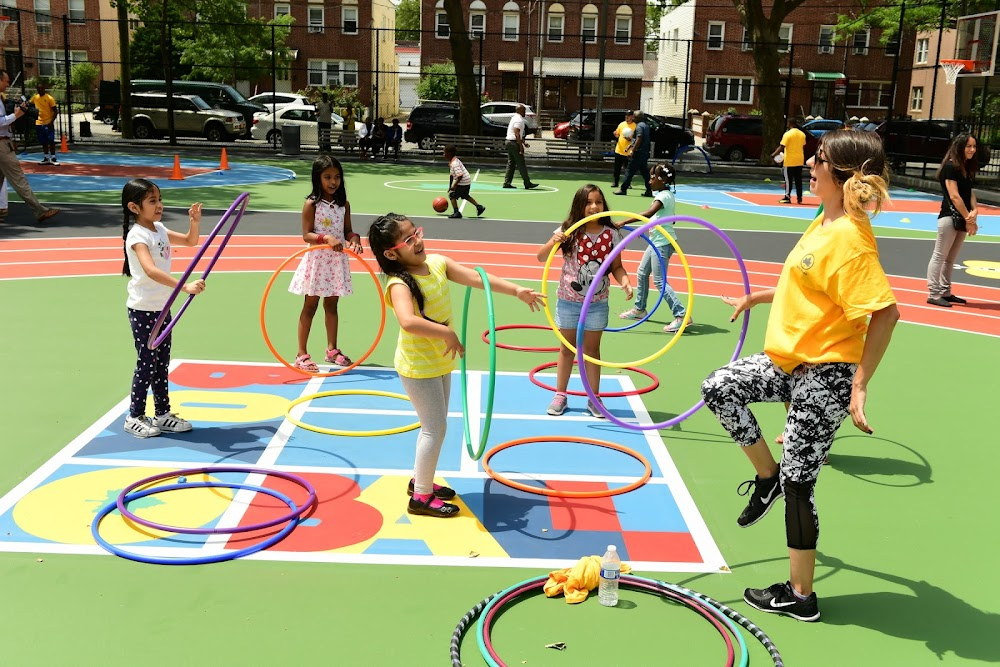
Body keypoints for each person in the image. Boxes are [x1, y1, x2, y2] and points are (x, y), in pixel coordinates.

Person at [700, 130, 899, 622]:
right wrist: (757, 298)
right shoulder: (825, 220)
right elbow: (806, 284)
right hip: (788, 362)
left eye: (821, 158)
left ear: (844, 175)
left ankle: (800, 594)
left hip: (826, 373)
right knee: (719, 387)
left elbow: (887, 313)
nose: (810, 162)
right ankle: (765, 476)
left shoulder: (852, 239)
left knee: (800, 483)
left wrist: (859, 383)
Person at [368, 213, 544, 517]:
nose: (419, 241)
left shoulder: (436, 262)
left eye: (417, 233)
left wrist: (516, 290)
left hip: (439, 361)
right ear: (391, 253)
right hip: (417, 366)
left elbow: (476, 278)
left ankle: (419, 482)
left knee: (436, 427)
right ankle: (420, 497)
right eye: (409, 240)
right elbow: (408, 321)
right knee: (434, 430)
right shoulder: (399, 283)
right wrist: (447, 332)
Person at [536, 184, 633, 418]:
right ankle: (560, 394)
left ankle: (594, 397)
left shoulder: (612, 234)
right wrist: (554, 241)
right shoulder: (568, 230)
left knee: (592, 350)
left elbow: (617, 266)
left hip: (597, 302)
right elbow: (541, 257)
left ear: (603, 205)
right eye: (588, 202)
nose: (593, 207)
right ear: (579, 205)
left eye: (598, 202)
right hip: (568, 300)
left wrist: (626, 281)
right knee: (567, 349)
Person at [120, 178, 205, 438]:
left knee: (161, 363)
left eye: (160, 199)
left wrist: (194, 221)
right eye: (152, 201)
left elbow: (191, 241)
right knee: (146, 362)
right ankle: (134, 415)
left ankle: (162, 413)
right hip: (144, 308)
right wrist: (184, 286)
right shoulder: (138, 235)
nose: (159, 205)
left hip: (162, 307)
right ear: (134, 207)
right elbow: (150, 270)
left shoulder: (159, 228)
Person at [287, 155, 363, 372]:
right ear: (317, 178)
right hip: (318, 261)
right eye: (327, 177)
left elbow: (348, 230)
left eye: (337, 177)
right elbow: (306, 235)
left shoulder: (343, 204)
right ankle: (301, 354)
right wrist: (326, 239)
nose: (333, 182)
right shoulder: (311, 203)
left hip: (336, 263)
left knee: (332, 305)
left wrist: (355, 239)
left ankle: (332, 350)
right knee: (309, 306)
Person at [617, 163, 691, 333]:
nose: (649, 181)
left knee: (659, 280)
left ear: (662, 179)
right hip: (656, 241)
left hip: (662, 243)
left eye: (652, 177)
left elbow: (649, 214)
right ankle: (640, 309)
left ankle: (681, 315)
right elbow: (662, 219)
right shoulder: (666, 195)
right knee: (642, 273)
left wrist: (624, 221)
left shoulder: (663, 196)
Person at [926, 133, 979, 308]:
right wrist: (969, 219)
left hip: (962, 218)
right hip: (950, 218)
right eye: (968, 146)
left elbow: (969, 194)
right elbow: (955, 197)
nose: (972, 149)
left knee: (950, 259)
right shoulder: (950, 167)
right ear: (959, 147)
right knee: (940, 256)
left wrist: (975, 211)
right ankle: (934, 293)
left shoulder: (965, 168)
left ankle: (946, 292)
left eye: (974, 146)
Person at [0, 69, 59, 222]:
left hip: (4, 142)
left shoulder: (1, 98)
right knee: (19, 179)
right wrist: (16, 115)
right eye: (6, 81)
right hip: (1, 147)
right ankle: (39, 210)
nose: (8, 84)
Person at [613, 110, 652, 197]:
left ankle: (623, 189)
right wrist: (630, 145)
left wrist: (633, 150)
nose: (632, 118)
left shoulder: (639, 127)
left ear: (637, 117)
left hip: (638, 153)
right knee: (645, 172)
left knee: (629, 171)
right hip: (644, 153)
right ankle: (649, 190)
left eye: (634, 116)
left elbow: (639, 138)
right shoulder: (646, 125)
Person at [443, 144, 486, 219]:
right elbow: (451, 175)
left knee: (452, 195)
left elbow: (460, 175)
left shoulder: (454, 163)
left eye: (444, 153)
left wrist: (454, 186)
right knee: (465, 195)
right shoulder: (453, 161)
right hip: (467, 181)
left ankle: (456, 212)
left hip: (463, 181)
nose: (443, 154)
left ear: (449, 153)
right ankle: (479, 207)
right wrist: (450, 186)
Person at [503, 104, 539, 190]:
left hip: (509, 141)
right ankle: (527, 183)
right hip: (513, 143)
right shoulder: (519, 119)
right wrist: (520, 146)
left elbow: (515, 133)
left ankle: (507, 182)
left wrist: (523, 142)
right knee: (521, 163)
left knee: (511, 163)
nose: (525, 112)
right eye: (524, 111)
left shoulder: (514, 118)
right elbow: (516, 133)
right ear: (520, 111)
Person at [771, 118, 807, 205]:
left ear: (790, 123)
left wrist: (773, 155)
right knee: (798, 180)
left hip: (790, 160)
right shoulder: (802, 134)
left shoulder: (787, 134)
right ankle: (799, 198)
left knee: (788, 180)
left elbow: (782, 146)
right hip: (799, 160)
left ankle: (787, 197)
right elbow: (803, 145)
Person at [30, 82, 58, 165]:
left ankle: (53, 157)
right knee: (43, 141)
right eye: (39, 88)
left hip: (48, 122)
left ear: (44, 89)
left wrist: (51, 122)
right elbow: (30, 104)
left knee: (51, 140)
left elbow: (55, 111)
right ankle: (46, 157)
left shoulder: (49, 98)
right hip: (39, 123)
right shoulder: (35, 97)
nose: (40, 90)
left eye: (42, 88)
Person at [612, 110, 636, 189]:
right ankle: (615, 182)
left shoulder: (635, 126)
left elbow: (635, 139)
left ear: (633, 117)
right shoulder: (621, 124)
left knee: (628, 169)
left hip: (629, 152)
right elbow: (617, 134)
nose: (627, 117)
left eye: (629, 116)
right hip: (619, 150)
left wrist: (630, 139)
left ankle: (627, 183)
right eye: (626, 116)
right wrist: (615, 133)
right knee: (617, 168)